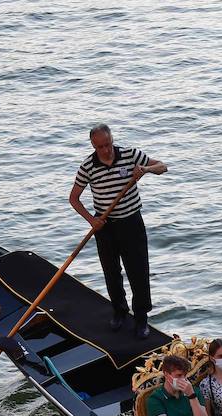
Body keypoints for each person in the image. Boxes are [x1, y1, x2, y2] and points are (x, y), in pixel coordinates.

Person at [69, 123, 167, 340]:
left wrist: (145, 170)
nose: (106, 150)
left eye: (108, 144)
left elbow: (163, 166)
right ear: (93, 146)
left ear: (112, 139)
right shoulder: (88, 166)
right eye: (100, 146)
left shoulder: (130, 154)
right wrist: (91, 220)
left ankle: (141, 318)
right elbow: (73, 198)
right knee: (111, 271)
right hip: (105, 225)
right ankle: (119, 311)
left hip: (132, 222)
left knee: (138, 271)